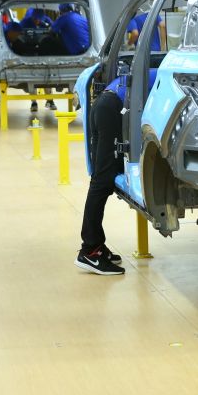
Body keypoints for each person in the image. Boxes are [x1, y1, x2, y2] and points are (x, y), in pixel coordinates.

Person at [76, 68, 158, 276]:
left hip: (105, 105)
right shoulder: (178, 76)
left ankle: (97, 246)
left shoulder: (159, 69)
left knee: (101, 178)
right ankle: (90, 251)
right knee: (101, 182)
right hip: (110, 110)